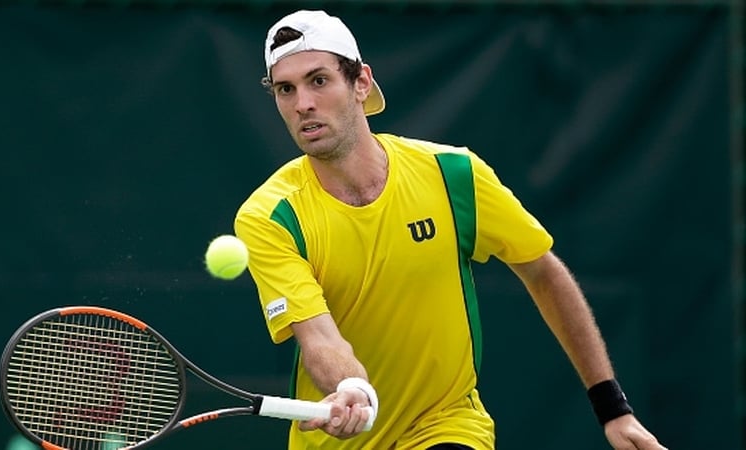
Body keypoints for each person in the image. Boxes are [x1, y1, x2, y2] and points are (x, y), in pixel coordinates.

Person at [234, 9, 667, 450]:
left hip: (447, 426)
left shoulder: (453, 175)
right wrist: (353, 388)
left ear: (361, 82)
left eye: (318, 80)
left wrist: (613, 408)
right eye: (285, 89)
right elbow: (319, 337)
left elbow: (543, 271)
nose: (302, 103)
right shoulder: (270, 217)